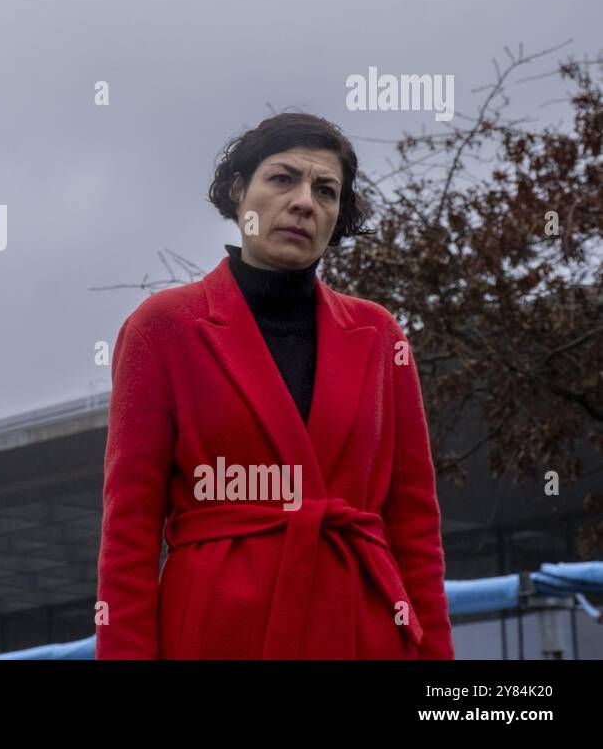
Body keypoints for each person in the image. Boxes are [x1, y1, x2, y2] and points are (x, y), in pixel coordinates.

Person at [96, 112, 454, 659]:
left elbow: (416, 532)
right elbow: (129, 534)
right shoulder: (162, 327)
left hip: (362, 631)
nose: (305, 201)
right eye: (283, 178)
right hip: (218, 632)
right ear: (239, 191)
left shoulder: (380, 335)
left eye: (326, 190)